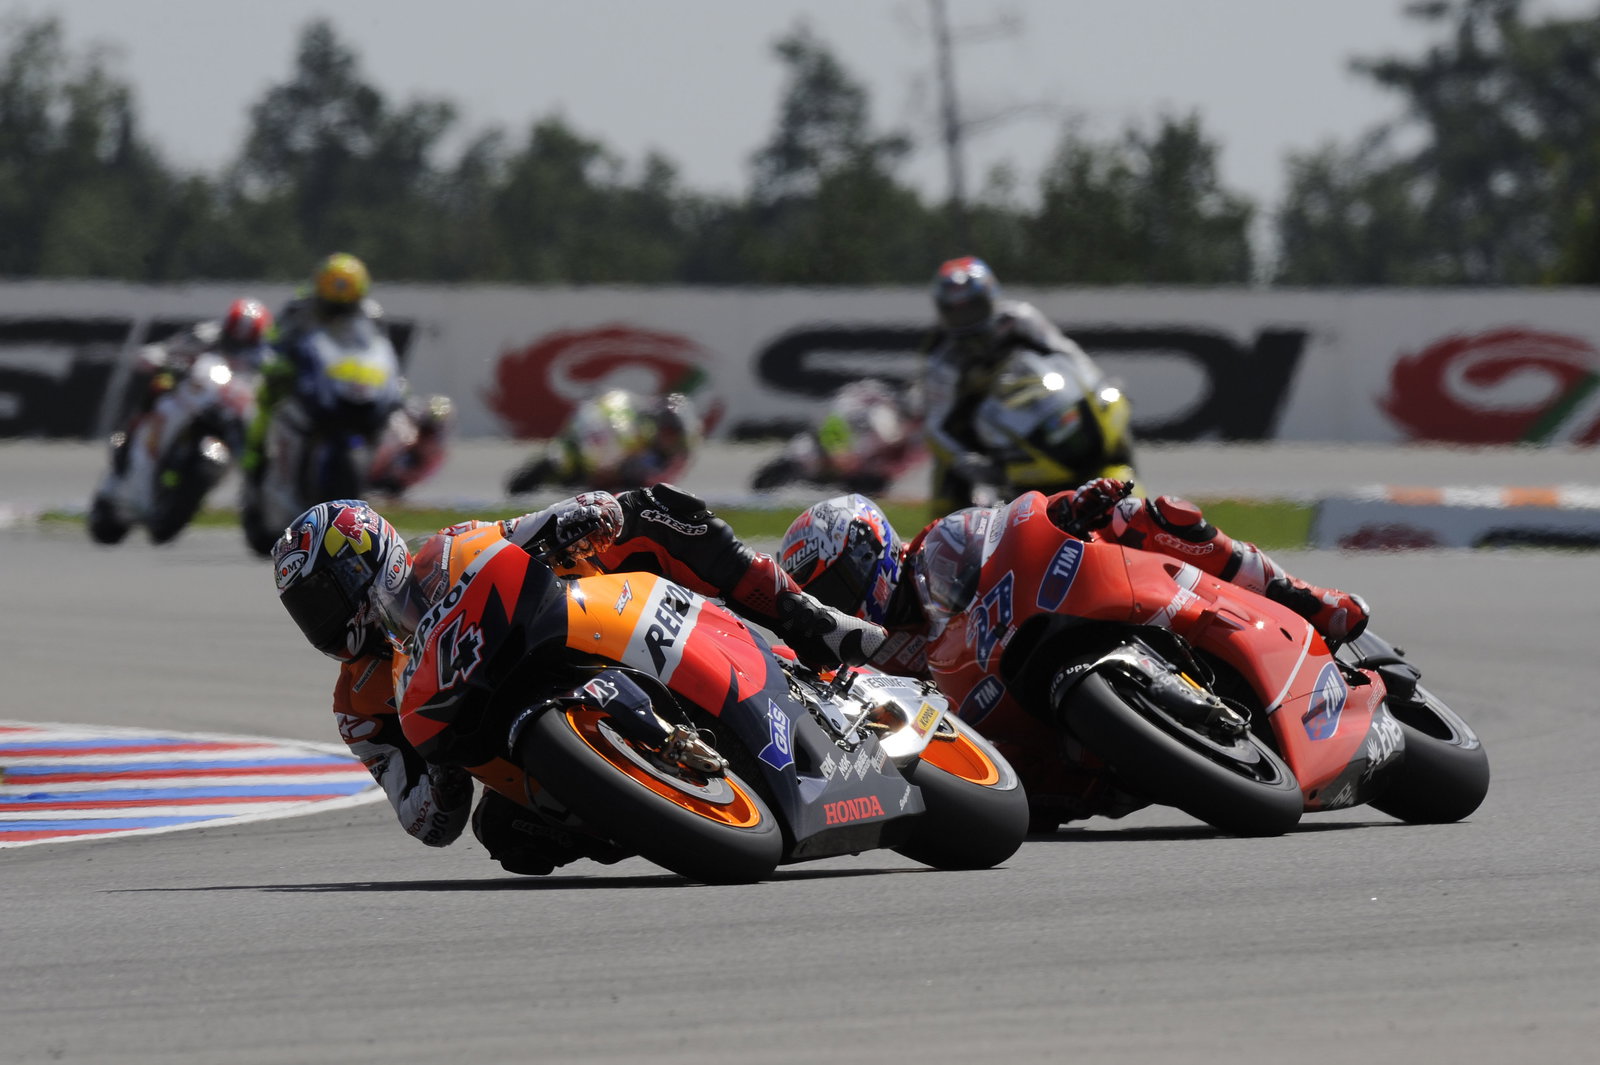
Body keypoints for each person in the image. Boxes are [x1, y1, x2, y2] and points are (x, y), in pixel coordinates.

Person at [269, 485, 887, 875]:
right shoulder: (358, 706)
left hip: (586, 618)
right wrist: (441, 770)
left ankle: (806, 617)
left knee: (650, 510)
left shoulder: (445, 550)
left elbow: (518, 532)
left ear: (367, 559)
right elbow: (423, 821)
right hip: (513, 740)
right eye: (307, 613)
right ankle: (652, 808)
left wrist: (577, 515)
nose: (324, 621)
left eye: (325, 597)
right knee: (507, 836)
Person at [777, 477, 1370, 686]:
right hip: (1006, 717)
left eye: (840, 586)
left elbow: (1014, 524)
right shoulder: (870, 658)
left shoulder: (939, 543)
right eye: (825, 601)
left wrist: (1072, 505)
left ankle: (1301, 598)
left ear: (871, 548)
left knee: (1143, 516)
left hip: (1048, 605)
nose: (841, 604)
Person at [921, 255, 1129, 513]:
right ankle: (948, 530)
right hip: (981, 435)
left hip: (1038, 404)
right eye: (956, 312)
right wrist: (965, 461)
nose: (966, 319)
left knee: (1111, 420)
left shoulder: (1019, 318)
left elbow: (1068, 354)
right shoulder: (941, 357)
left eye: (972, 307)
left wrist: (1097, 383)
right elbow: (935, 425)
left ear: (990, 297)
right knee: (947, 480)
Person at [96, 298, 274, 516]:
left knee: (256, 439)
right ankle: (129, 441)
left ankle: (254, 495)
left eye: (245, 344)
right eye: (233, 341)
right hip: (195, 393)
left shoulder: (267, 355)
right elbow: (169, 348)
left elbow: (271, 381)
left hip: (230, 408)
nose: (237, 348)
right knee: (161, 388)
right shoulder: (207, 333)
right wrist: (161, 357)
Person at [240, 252, 387, 490]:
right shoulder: (300, 307)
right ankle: (255, 455)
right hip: (306, 377)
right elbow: (274, 340)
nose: (339, 309)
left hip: (347, 381)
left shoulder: (371, 314)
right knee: (268, 393)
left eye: (346, 303)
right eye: (333, 302)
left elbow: (380, 350)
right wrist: (276, 361)